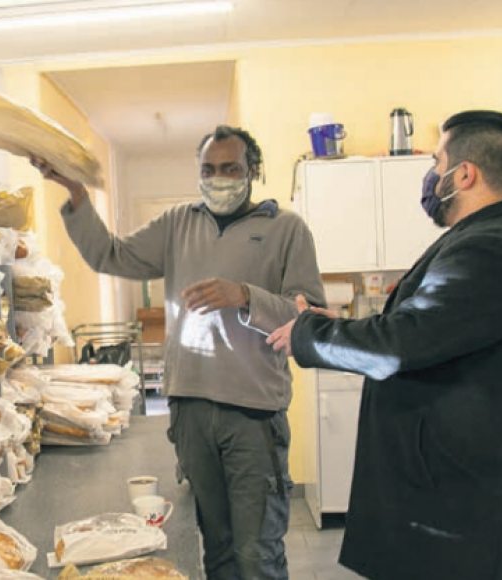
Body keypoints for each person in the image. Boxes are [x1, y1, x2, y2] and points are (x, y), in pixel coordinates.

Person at [266, 110, 502, 580]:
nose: (430, 176)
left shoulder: (492, 247)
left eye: (436, 161)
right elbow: (427, 330)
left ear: (464, 174)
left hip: (464, 504)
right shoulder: (492, 238)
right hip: (460, 490)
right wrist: (338, 324)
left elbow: (399, 346)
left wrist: (308, 334)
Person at [32, 125, 325, 579]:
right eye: (208, 170)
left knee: (257, 553)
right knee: (217, 549)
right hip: (190, 410)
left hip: (254, 416)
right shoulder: (178, 224)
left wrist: (245, 295)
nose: (219, 178)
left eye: (230, 168)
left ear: (253, 170)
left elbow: (309, 317)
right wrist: (75, 193)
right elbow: (110, 255)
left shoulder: (286, 229)